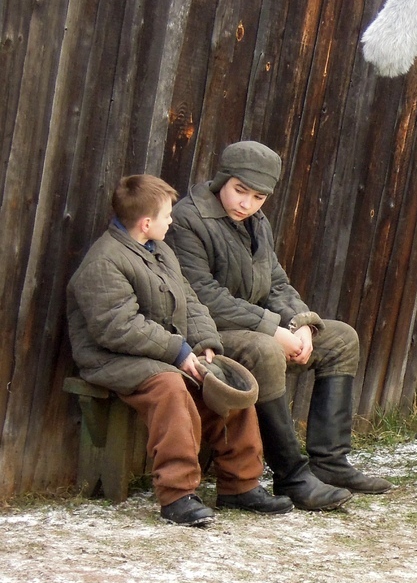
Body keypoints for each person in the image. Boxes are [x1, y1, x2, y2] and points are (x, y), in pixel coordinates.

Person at [169, 141, 391, 511]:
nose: (247, 203)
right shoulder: (188, 220)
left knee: (340, 339)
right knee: (265, 349)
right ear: (223, 178)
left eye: (258, 197)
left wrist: (302, 323)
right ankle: (291, 475)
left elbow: (276, 282)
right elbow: (203, 295)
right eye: (240, 191)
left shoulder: (257, 222)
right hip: (207, 334)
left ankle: (330, 463)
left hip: (258, 325)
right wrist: (274, 329)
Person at [66, 175, 294, 526]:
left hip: (161, 353)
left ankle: (240, 486)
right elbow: (118, 329)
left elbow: (192, 301)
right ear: (146, 223)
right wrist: (177, 351)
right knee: (171, 388)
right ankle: (177, 495)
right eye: (167, 216)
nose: (172, 221)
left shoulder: (161, 251)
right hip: (112, 359)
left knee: (226, 381)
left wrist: (205, 345)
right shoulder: (105, 263)